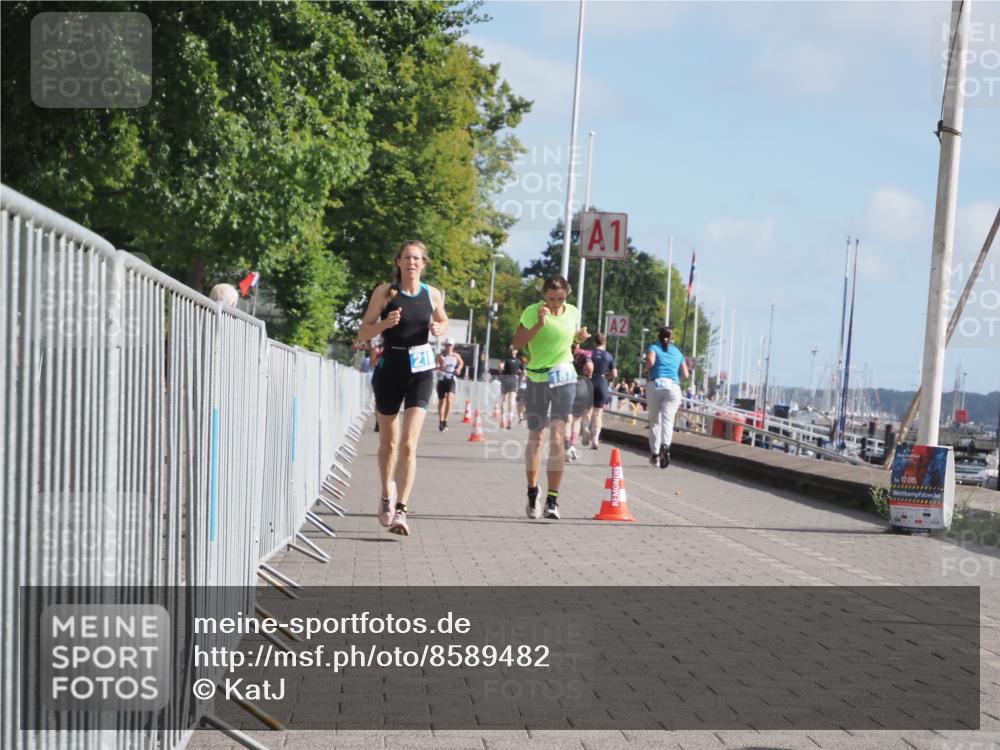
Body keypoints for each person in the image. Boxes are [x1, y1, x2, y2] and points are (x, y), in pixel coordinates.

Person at [356, 240, 448, 536]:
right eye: (407, 257)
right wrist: (384, 324)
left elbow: (443, 320)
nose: (412, 262)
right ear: (398, 262)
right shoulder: (386, 292)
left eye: (417, 258)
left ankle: (402, 510)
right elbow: (363, 330)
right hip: (390, 371)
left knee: (409, 444)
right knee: (390, 444)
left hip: (421, 373)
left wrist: (439, 328)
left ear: (424, 263)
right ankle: (386, 494)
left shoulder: (431, 294)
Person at [512, 275, 589, 520]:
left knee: (558, 434)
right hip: (537, 378)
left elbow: (569, 342)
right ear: (544, 296)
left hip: (564, 375)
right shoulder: (532, 311)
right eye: (551, 298)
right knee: (537, 436)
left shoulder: (573, 312)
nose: (556, 303)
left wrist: (579, 339)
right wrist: (539, 325)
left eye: (561, 298)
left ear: (567, 295)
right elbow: (517, 343)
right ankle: (533, 491)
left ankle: (553, 500)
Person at [645, 326, 689, 468]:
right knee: (668, 421)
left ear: (659, 336)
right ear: (672, 338)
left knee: (654, 420)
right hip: (673, 387)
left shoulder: (653, 347)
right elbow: (686, 374)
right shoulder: (677, 352)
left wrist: (646, 368)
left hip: (656, 384)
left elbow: (651, 362)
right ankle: (666, 445)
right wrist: (676, 381)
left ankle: (655, 454)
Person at [587, 333, 617, 449]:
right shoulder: (608, 356)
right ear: (605, 342)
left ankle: (585, 429)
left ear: (595, 342)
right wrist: (606, 376)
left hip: (589, 382)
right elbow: (614, 374)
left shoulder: (589, 354)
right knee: (598, 413)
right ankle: (595, 438)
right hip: (602, 382)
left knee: (587, 411)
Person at [566, 342, 594, 461]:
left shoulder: (562, 352)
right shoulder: (582, 354)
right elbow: (589, 365)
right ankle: (572, 445)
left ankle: (567, 447)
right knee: (577, 419)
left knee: (568, 418)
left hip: (567, 386)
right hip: (582, 385)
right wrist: (590, 375)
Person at [435, 338, 464, 431]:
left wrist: (458, 369)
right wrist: (440, 367)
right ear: (445, 345)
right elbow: (434, 366)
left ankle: (446, 420)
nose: (449, 347)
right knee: (442, 401)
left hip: (451, 378)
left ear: (453, 346)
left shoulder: (456, 356)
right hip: (442, 379)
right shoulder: (440, 356)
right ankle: (441, 420)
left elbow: (461, 363)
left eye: (450, 345)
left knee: (450, 399)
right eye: (447, 345)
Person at [499, 346, 522, 430]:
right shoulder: (518, 361)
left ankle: (507, 420)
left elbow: (500, 368)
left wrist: (501, 369)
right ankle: (505, 419)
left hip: (508, 380)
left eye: (514, 349)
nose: (513, 351)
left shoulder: (505, 359)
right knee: (507, 400)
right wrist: (521, 377)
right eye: (512, 350)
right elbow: (524, 372)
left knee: (508, 400)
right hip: (511, 380)